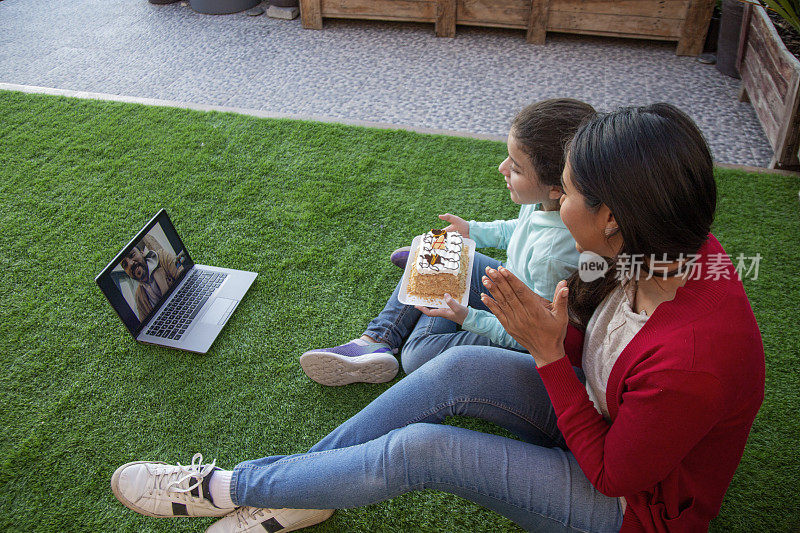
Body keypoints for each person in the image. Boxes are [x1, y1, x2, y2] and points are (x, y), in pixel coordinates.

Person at [110, 103, 765, 532]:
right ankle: (298, 491)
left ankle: (224, 485)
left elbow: (611, 473)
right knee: (455, 363)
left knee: (428, 448)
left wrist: (544, 351)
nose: (555, 203)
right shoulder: (653, 243)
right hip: (598, 410)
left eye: (565, 192)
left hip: (629, 507)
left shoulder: (693, 358)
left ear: (612, 218)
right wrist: (550, 334)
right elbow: (592, 342)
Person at [299, 98, 596, 385]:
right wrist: (472, 230)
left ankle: (424, 283)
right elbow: (520, 229)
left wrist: (467, 317)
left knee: (418, 354)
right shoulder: (546, 202)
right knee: (438, 256)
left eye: (516, 168)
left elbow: (533, 335)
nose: (502, 168)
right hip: (510, 289)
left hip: (518, 334)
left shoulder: (551, 257)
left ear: (558, 187)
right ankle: (376, 339)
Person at [119, 236, 183, 319]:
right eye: (125, 265)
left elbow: (185, 275)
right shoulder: (139, 295)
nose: (130, 264)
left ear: (142, 253)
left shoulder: (163, 257)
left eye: (132, 255)